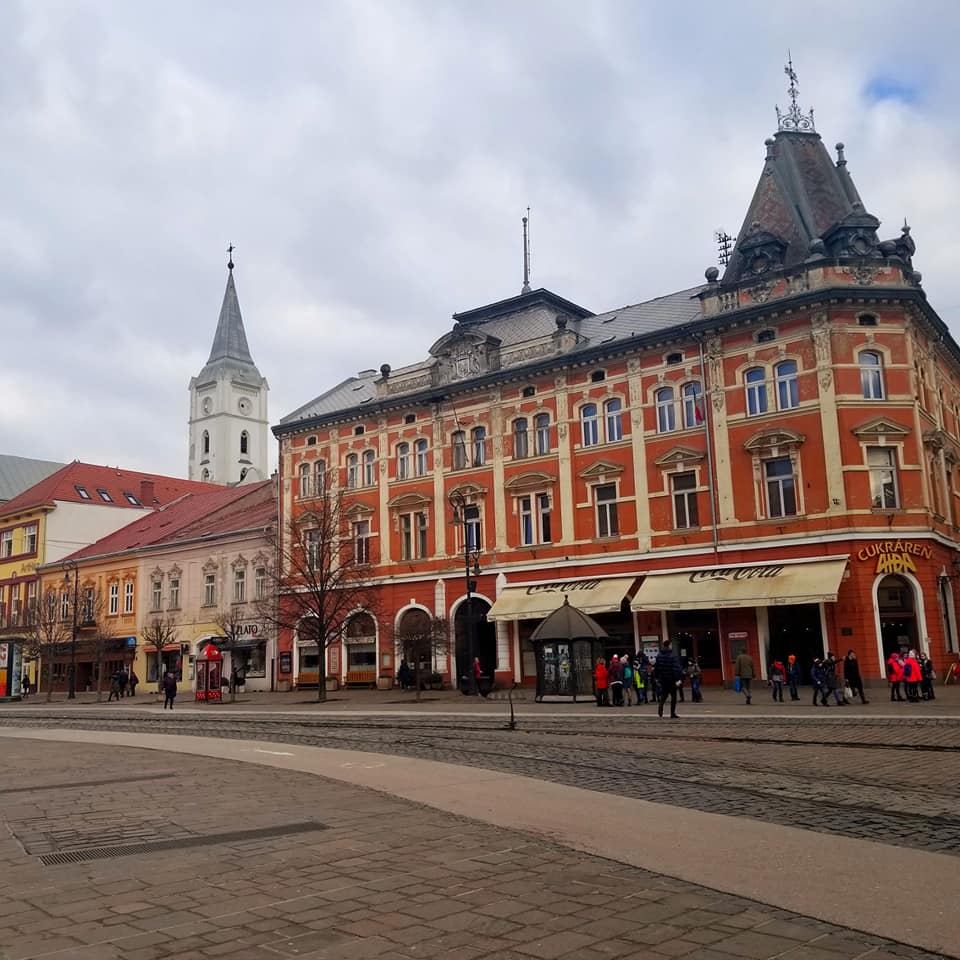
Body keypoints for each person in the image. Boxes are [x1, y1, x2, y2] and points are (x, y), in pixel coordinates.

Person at [653, 639, 683, 719]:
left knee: (664, 695)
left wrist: (656, 677)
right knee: (673, 696)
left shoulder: (659, 656)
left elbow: (656, 668)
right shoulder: (672, 656)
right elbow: (676, 669)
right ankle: (672, 713)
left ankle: (660, 707)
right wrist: (678, 679)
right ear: (669, 645)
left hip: (663, 679)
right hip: (671, 679)